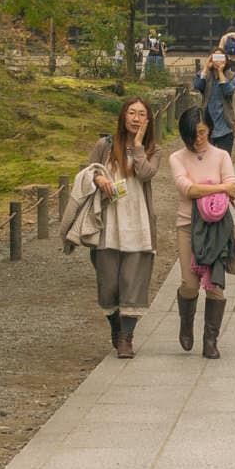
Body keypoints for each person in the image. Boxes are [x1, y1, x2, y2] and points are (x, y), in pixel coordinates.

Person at [62, 97, 160, 358]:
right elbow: (88, 172)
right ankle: (115, 325)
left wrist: (138, 147)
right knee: (108, 286)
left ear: (148, 120)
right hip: (107, 222)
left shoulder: (152, 149)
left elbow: (147, 174)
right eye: (132, 113)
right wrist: (99, 177)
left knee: (133, 283)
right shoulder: (104, 145)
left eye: (141, 114)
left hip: (138, 222)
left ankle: (126, 337)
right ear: (123, 116)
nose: (136, 118)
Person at [169, 108, 235, 358]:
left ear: (209, 128)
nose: (198, 139)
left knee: (215, 287)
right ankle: (186, 323)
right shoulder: (177, 157)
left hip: (217, 228)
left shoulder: (221, 155)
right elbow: (187, 189)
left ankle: (211, 339)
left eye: (202, 132)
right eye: (193, 135)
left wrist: (210, 188)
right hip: (188, 226)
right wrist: (219, 187)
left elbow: (234, 187)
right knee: (189, 284)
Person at [194, 50, 235, 153]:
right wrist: (205, 67)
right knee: (207, 161)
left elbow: (228, 91)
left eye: (220, 58)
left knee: (224, 160)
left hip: (225, 125)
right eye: (215, 58)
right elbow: (197, 85)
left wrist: (220, 72)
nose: (218, 61)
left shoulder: (231, 75)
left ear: (226, 60)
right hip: (207, 125)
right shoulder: (206, 75)